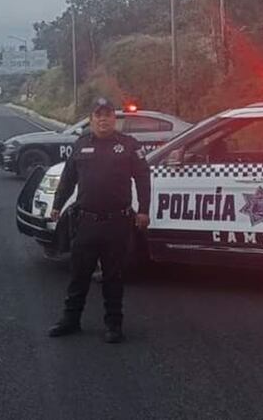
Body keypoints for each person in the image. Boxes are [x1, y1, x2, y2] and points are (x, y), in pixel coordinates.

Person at [47, 97, 151, 344]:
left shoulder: (128, 145)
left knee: (113, 276)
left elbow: (143, 180)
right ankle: (70, 320)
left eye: (108, 115)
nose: (103, 119)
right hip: (86, 222)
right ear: (91, 119)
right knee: (78, 275)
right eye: (98, 115)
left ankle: (114, 324)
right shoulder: (80, 145)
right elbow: (68, 179)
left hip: (117, 223)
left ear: (114, 119)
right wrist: (57, 206)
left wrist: (143, 210)